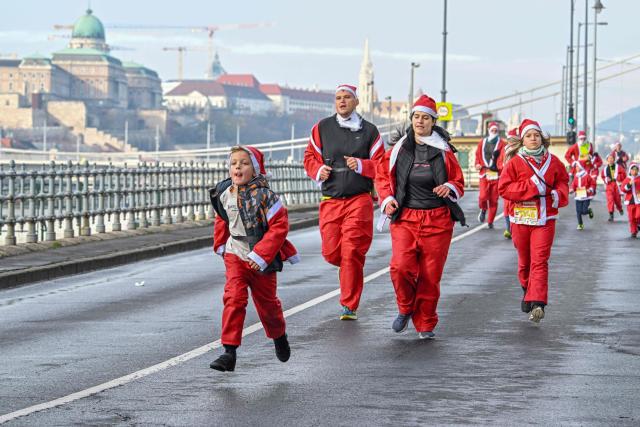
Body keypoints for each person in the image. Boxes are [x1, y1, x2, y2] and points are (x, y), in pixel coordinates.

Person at [375, 94, 465, 340]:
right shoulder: (398, 150)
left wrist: (450, 187)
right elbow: (382, 177)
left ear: (433, 121)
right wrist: (387, 199)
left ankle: (425, 322)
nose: (420, 121)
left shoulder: (445, 152)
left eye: (426, 118)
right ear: (411, 119)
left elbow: (459, 181)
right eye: (416, 117)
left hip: (437, 219)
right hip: (406, 218)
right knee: (400, 267)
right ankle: (405, 308)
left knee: (429, 276)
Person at [209, 146, 300, 372]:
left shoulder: (267, 197)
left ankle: (279, 336)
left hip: (262, 258)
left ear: (256, 168)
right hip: (236, 254)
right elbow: (222, 220)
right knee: (234, 298)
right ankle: (229, 352)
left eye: (244, 163)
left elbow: (279, 227)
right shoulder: (224, 193)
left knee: (267, 305)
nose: (238, 167)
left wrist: (261, 255)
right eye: (233, 163)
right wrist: (220, 245)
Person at [303, 84, 384, 320]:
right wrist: (318, 170)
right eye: (338, 98)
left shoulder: (370, 131)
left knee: (351, 252)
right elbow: (309, 157)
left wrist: (361, 165)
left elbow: (381, 164)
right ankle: (348, 269)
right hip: (331, 199)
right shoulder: (322, 128)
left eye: (347, 97)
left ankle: (349, 305)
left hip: (359, 199)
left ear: (356, 102)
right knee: (331, 253)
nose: (342, 101)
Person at [498, 119, 569, 323]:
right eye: (529, 136)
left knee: (540, 260)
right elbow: (504, 189)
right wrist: (531, 187)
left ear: (542, 139)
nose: (533, 139)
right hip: (520, 218)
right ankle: (527, 290)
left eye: (536, 135)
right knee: (525, 260)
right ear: (522, 140)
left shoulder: (554, 162)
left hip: (546, 218)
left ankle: (538, 303)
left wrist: (558, 194)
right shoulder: (514, 162)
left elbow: (563, 181)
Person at [475, 121, 505, 228]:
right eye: (492, 130)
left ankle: (490, 221)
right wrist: (477, 164)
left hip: (495, 173)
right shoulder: (482, 142)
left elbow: (503, 157)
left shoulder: (502, 143)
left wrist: (500, 166)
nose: (494, 131)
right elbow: (478, 155)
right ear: (489, 130)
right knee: (483, 196)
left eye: (496, 130)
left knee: (493, 199)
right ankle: (483, 209)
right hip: (484, 172)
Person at [498, 128, 521, 239]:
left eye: (513, 139)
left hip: (518, 181)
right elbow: (499, 163)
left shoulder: (521, 150)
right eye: (509, 139)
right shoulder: (504, 150)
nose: (511, 142)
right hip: (507, 181)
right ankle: (509, 229)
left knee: (517, 205)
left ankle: (517, 228)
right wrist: (502, 168)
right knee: (507, 206)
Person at [600, 154, 626, 222]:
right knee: (610, 199)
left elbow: (624, 174)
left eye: (612, 158)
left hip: (616, 185)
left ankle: (620, 209)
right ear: (607, 160)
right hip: (609, 185)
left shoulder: (618, 167)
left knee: (617, 200)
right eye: (609, 158)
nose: (610, 160)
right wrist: (606, 179)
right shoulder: (605, 169)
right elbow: (602, 176)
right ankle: (611, 214)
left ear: (614, 159)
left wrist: (617, 177)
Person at [621, 162, 640, 238]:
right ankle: (633, 231)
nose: (634, 172)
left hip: (638, 201)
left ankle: (638, 225)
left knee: (638, 215)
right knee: (631, 218)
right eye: (633, 170)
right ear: (630, 170)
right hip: (630, 201)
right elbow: (623, 189)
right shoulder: (627, 179)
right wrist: (629, 184)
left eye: (636, 170)